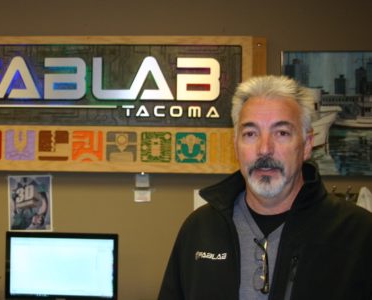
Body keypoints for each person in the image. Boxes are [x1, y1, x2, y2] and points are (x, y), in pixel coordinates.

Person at [159, 76, 372, 299]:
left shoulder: (359, 235)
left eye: (281, 133)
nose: (264, 149)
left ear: (307, 144)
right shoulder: (200, 229)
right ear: (235, 145)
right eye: (250, 134)